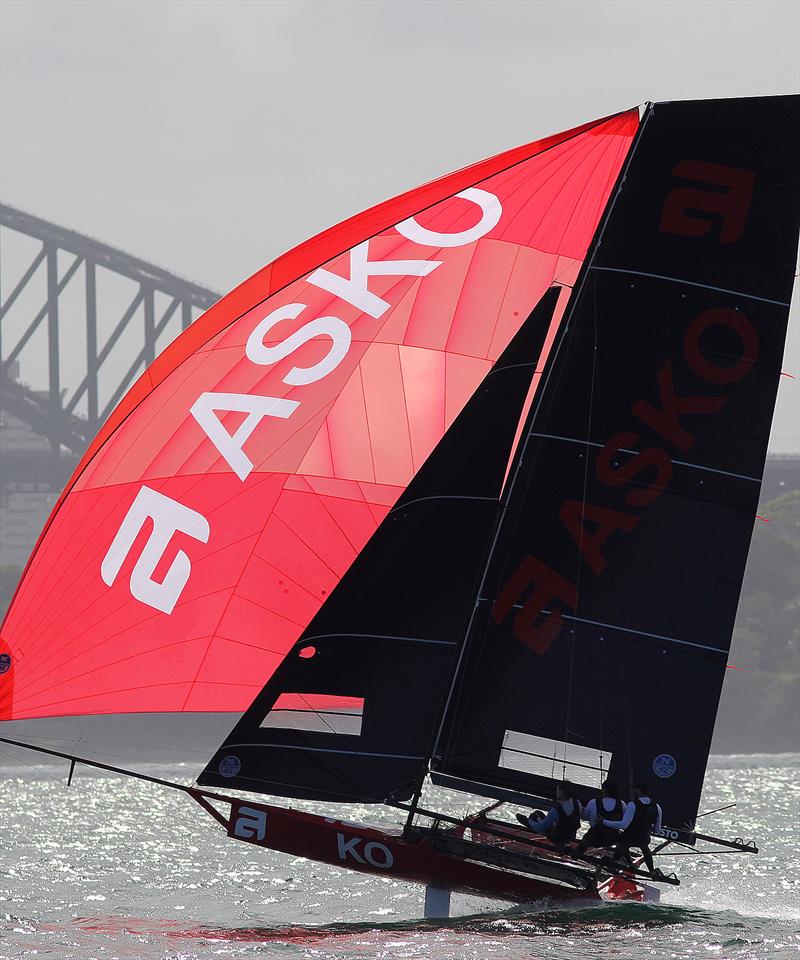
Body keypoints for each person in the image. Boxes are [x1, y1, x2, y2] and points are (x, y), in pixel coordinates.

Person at [599, 779, 664, 878]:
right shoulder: (657, 807)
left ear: (639, 790)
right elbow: (657, 830)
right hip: (643, 839)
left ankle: (619, 862)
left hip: (629, 838)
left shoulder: (632, 804)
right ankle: (652, 871)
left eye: (635, 789)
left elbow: (624, 824)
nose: (633, 791)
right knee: (644, 847)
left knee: (622, 841)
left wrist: (604, 821)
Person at [516, 781, 582, 844]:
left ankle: (527, 821)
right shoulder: (577, 803)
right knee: (538, 813)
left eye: (557, 791)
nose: (556, 793)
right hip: (571, 837)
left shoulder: (555, 811)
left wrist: (530, 821)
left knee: (533, 817)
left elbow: (540, 828)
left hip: (556, 839)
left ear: (561, 792)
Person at [575, 779, 625, 852]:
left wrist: (581, 810)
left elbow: (584, 817)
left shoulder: (593, 802)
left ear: (604, 790)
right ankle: (625, 859)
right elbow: (625, 821)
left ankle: (577, 854)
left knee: (581, 847)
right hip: (612, 838)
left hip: (594, 837)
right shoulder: (622, 804)